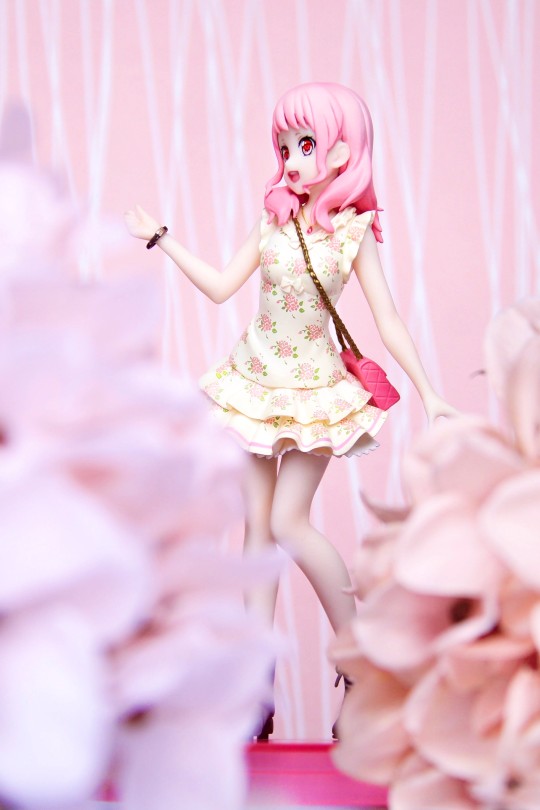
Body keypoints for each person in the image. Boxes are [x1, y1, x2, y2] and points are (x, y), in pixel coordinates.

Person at [125, 82, 455, 738]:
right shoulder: (273, 218)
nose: (292, 159)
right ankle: (256, 686)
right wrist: (163, 238)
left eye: (305, 144)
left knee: (287, 521)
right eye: (285, 147)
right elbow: (222, 287)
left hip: (314, 395)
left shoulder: (354, 231)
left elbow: (387, 319)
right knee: (257, 530)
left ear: (342, 152)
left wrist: (430, 392)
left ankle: (362, 663)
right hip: (254, 383)